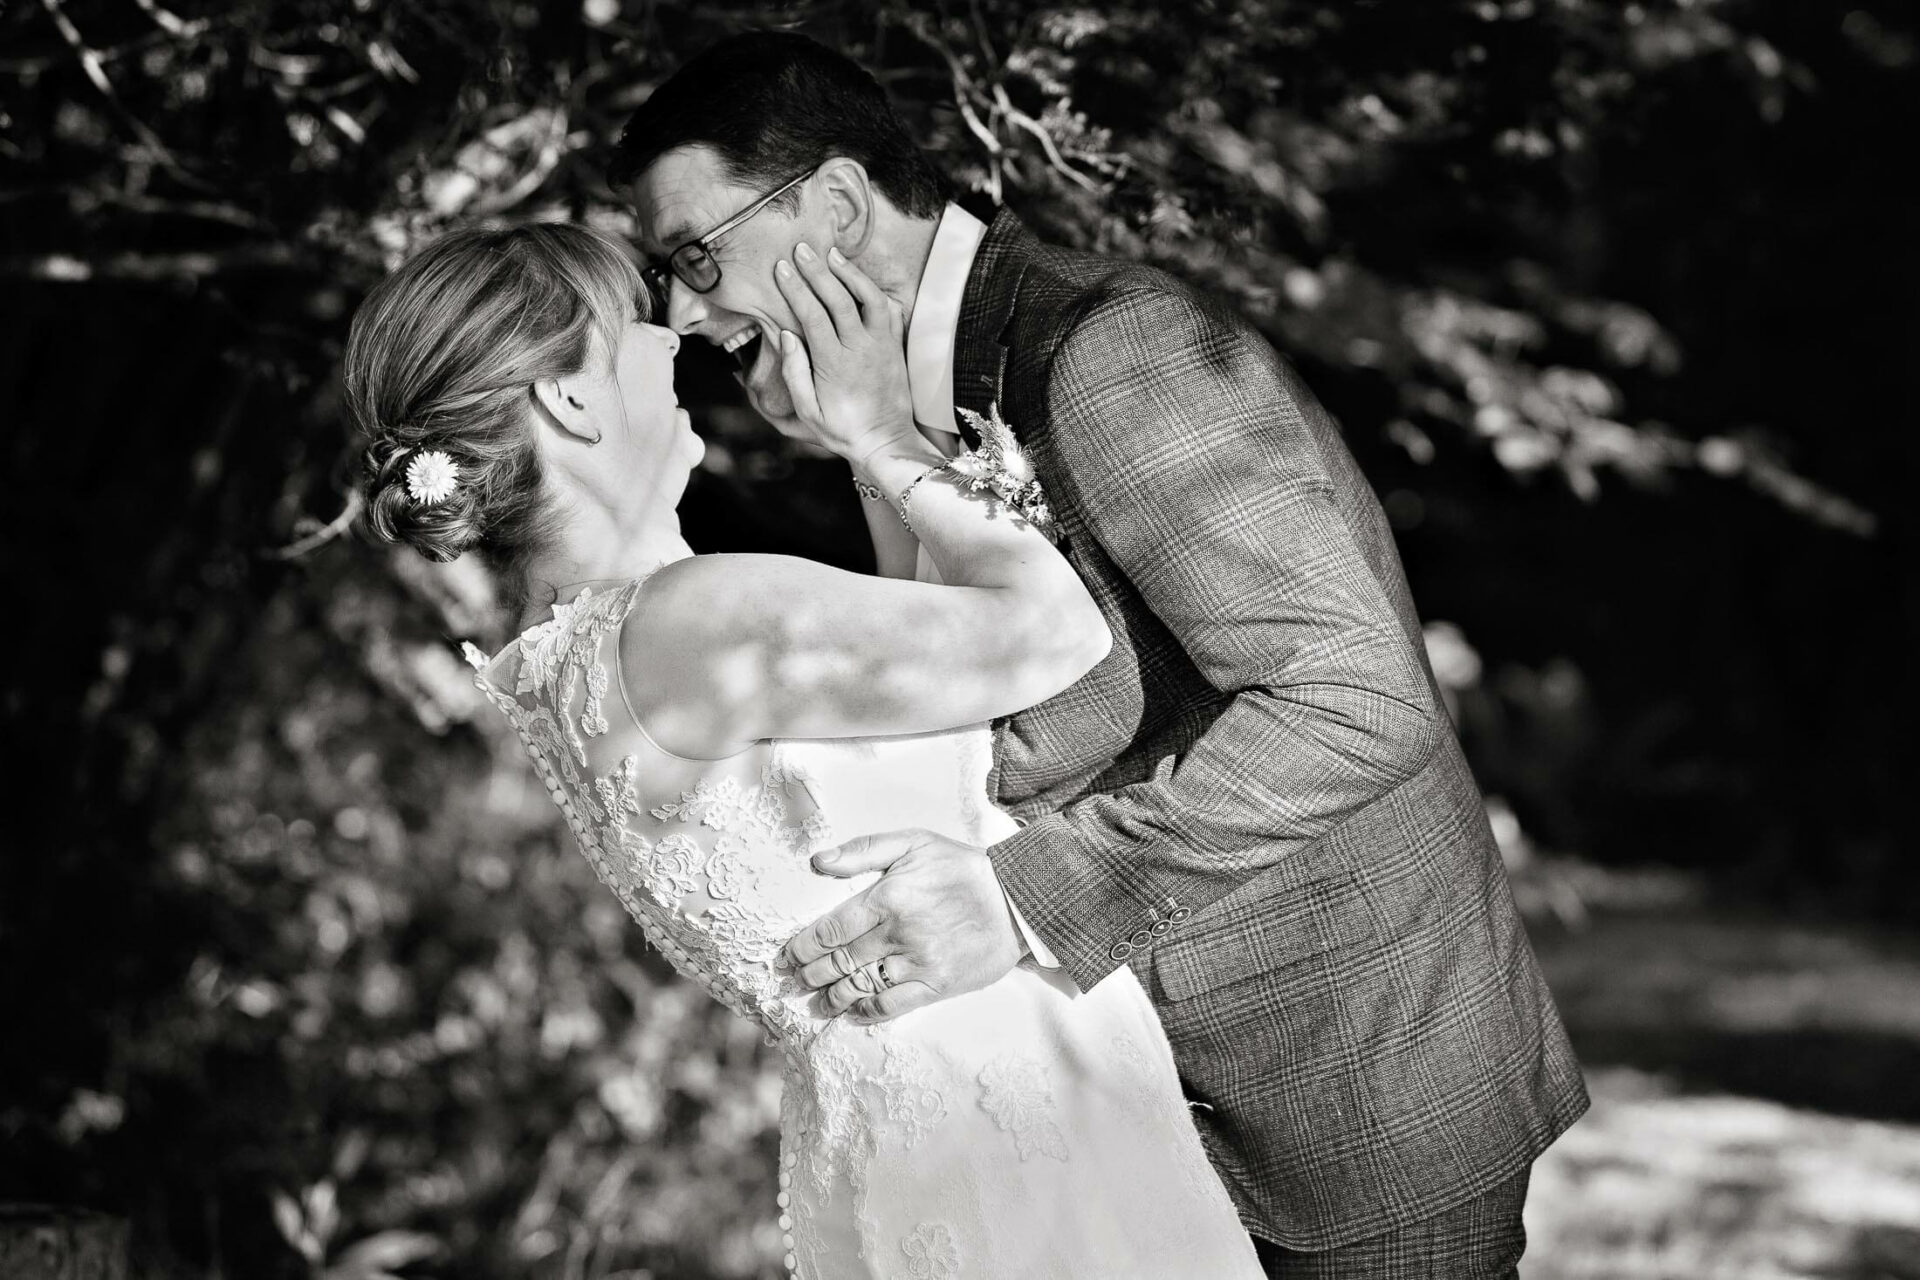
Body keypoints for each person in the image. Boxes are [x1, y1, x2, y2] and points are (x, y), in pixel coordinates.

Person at [608, 30, 1590, 1279]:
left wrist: (1018, 902)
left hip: (1352, 1092)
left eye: (697, 255)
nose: (687, 317)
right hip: (1138, 1128)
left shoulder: (1105, 350)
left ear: (840, 206)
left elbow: (1356, 701)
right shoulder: (902, 396)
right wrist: (869, 444)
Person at [343, 222, 1265, 1279]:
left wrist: (861, 450)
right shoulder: (699, 619)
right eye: (641, 324)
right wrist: (878, 428)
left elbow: (921, 656)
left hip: (926, 1138)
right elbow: (1052, 633)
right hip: (1015, 1135)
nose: (675, 342)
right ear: (569, 397)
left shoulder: (565, 665)